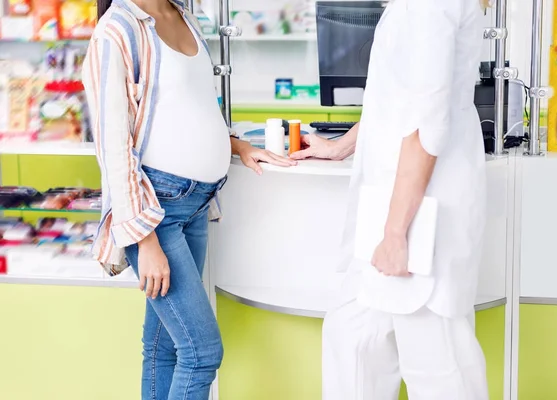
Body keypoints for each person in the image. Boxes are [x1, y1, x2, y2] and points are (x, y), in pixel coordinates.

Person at [82, 0, 295, 398]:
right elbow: (114, 143)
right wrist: (144, 239)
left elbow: (190, 106)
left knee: (164, 347)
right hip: (157, 212)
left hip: (195, 204)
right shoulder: (118, 30)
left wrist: (236, 146)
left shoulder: (184, 16)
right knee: (201, 352)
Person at [291, 0, 489, 399]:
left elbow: (427, 119)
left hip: (420, 215)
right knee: (352, 340)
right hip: (395, 207)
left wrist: (396, 232)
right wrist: (341, 147)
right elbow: (395, 99)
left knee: (436, 363)